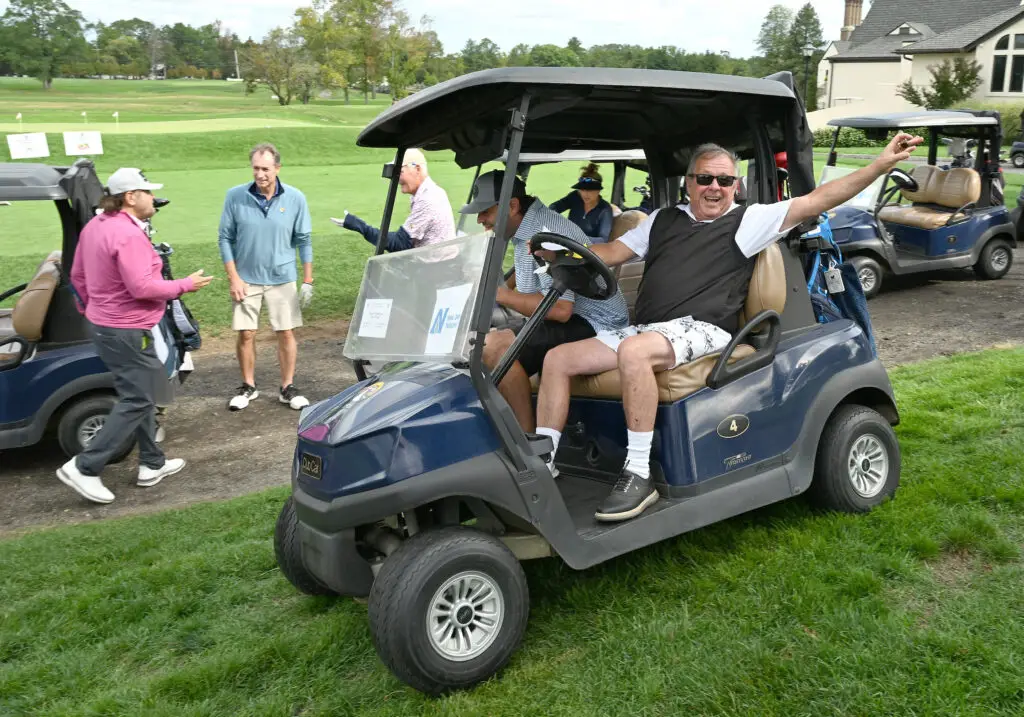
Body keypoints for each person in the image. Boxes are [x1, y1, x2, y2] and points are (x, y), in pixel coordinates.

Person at [533, 133, 924, 522]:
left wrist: (880, 164)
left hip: (705, 328)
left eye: (724, 180)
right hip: (653, 328)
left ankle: (639, 473)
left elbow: (817, 201)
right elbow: (611, 253)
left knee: (635, 352)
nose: (714, 188)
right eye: (704, 179)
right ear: (689, 183)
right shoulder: (661, 220)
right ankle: (545, 464)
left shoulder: (749, 220)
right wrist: (561, 254)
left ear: (735, 185)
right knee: (558, 358)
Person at [59, 167, 213, 505]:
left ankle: (151, 463)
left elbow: (78, 276)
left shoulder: (97, 226)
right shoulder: (128, 235)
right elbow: (143, 287)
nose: (153, 198)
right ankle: (85, 467)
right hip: (126, 329)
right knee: (138, 398)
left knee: (141, 390)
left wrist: (94, 311)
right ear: (130, 197)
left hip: (107, 326)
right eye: (147, 192)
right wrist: (185, 285)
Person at [460, 170, 629, 433]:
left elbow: (561, 310)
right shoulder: (525, 228)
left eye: (485, 211)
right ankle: (511, 431)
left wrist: (500, 295)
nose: (480, 218)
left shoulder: (547, 231)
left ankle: (528, 445)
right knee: (480, 343)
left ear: (513, 206)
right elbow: (534, 269)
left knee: (493, 347)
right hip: (570, 316)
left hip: (596, 323)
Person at [219, 143, 314, 411]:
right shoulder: (235, 196)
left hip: (282, 276)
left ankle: (287, 387)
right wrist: (233, 278)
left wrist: (308, 280)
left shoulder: (295, 198)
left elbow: (304, 240)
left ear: (277, 168)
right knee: (246, 333)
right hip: (246, 277)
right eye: (256, 168)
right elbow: (225, 238)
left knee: (285, 331)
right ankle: (248, 386)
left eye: (265, 169)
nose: (260, 174)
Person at [336, 148, 455, 251]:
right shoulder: (428, 192)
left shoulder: (428, 199)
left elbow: (400, 243)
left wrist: (360, 226)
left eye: (400, 171)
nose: (397, 178)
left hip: (435, 269)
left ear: (417, 169)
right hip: (436, 265)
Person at [549, 162, 615, 243]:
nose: (585, 194)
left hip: (588, 251)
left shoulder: (605, 209)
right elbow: (554, 207)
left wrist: (576, 238)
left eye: (590, 190)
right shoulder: (575, 197)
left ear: (598, 190)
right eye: (582, 190)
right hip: (567, 244)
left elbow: (603, 240)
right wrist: (558, 223)